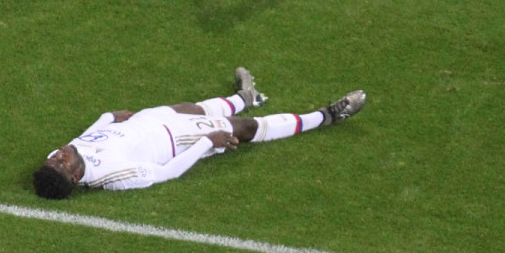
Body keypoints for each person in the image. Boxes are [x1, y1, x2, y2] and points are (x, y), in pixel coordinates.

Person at [33, 68, 366, 199]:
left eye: (56, 159)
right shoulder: (115, 176)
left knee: (190, 106)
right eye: (62, 164)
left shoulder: (58, 156)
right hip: (178, 138)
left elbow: (82, 139)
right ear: (75, 179)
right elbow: (167, 173)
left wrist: (107, 118)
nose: (59, 156)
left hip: (150, 119)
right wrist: (207, 142)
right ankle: (325, 116)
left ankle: (244, 98)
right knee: (245, 129)